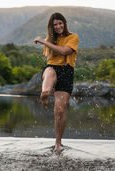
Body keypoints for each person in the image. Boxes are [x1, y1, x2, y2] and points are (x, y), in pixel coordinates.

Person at [34, 12, 79, 152]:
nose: (58, 26)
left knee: (59, 111)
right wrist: (47, 40)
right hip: (52, 68)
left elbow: (65, 51)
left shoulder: (73, 37)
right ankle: (45, 91)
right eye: (55, 25)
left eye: (60, 23)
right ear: (51, 27)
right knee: (50, 71)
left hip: (67, 72)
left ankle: (58, 144)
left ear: (64, 23)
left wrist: (44, 41)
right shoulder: (50, 39)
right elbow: (50, 58)